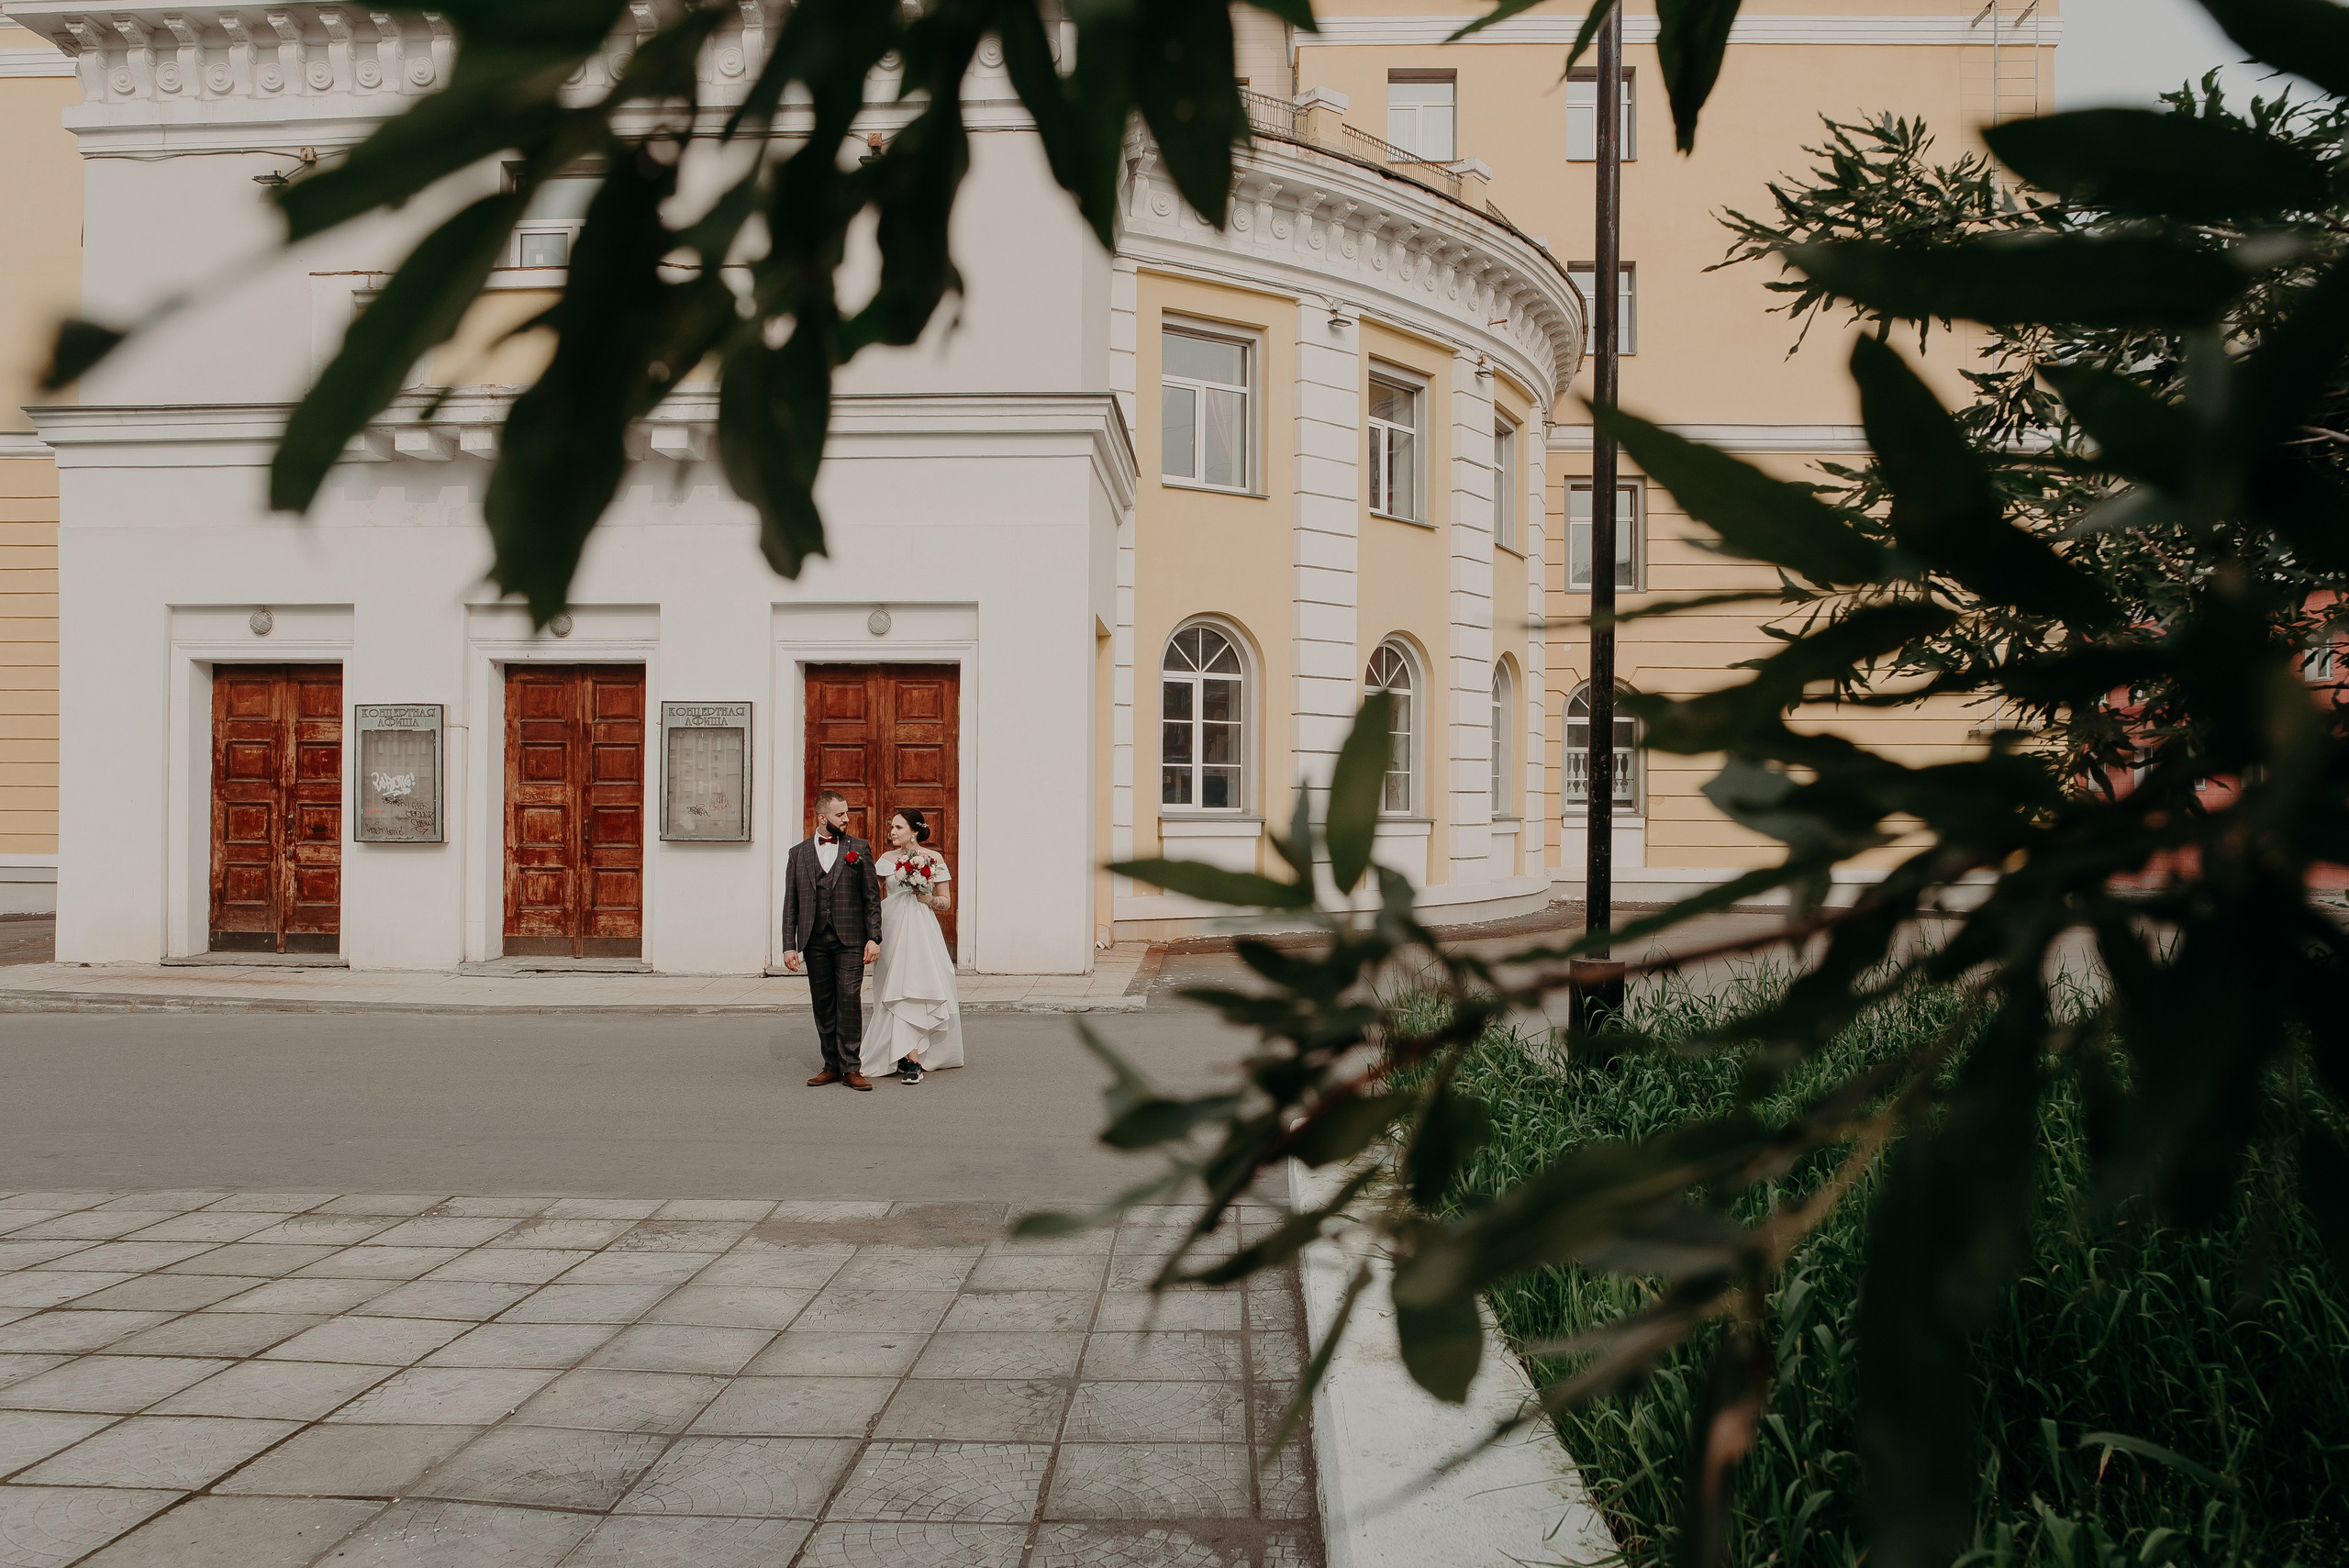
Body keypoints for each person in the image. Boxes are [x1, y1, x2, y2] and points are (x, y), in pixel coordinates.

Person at [780, 790, 883, 1091]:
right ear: (823, 817)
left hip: (850, 938)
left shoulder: (858, 848)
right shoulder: (797, 853)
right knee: (822, 1002)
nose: (847, 819)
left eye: (847, 813)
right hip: (814, 940)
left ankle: (851, 1067)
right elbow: (791, 903)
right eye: (840, 815)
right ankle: (831, 1064)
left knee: (849, 998)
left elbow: (871, 898)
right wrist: (789, 944)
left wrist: (874, 937)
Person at [862, 807, 964, 1084]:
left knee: (918, 986)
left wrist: (926, 897)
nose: (892, 833)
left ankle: (913, 1059)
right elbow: (871, 896)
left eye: (898, 828)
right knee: (896, 990)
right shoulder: (885, 860)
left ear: (914, 831)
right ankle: (903, 1055)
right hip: (892, 928)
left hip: (921, 929)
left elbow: (946, 902)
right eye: (891, 827)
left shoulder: (934, 859)